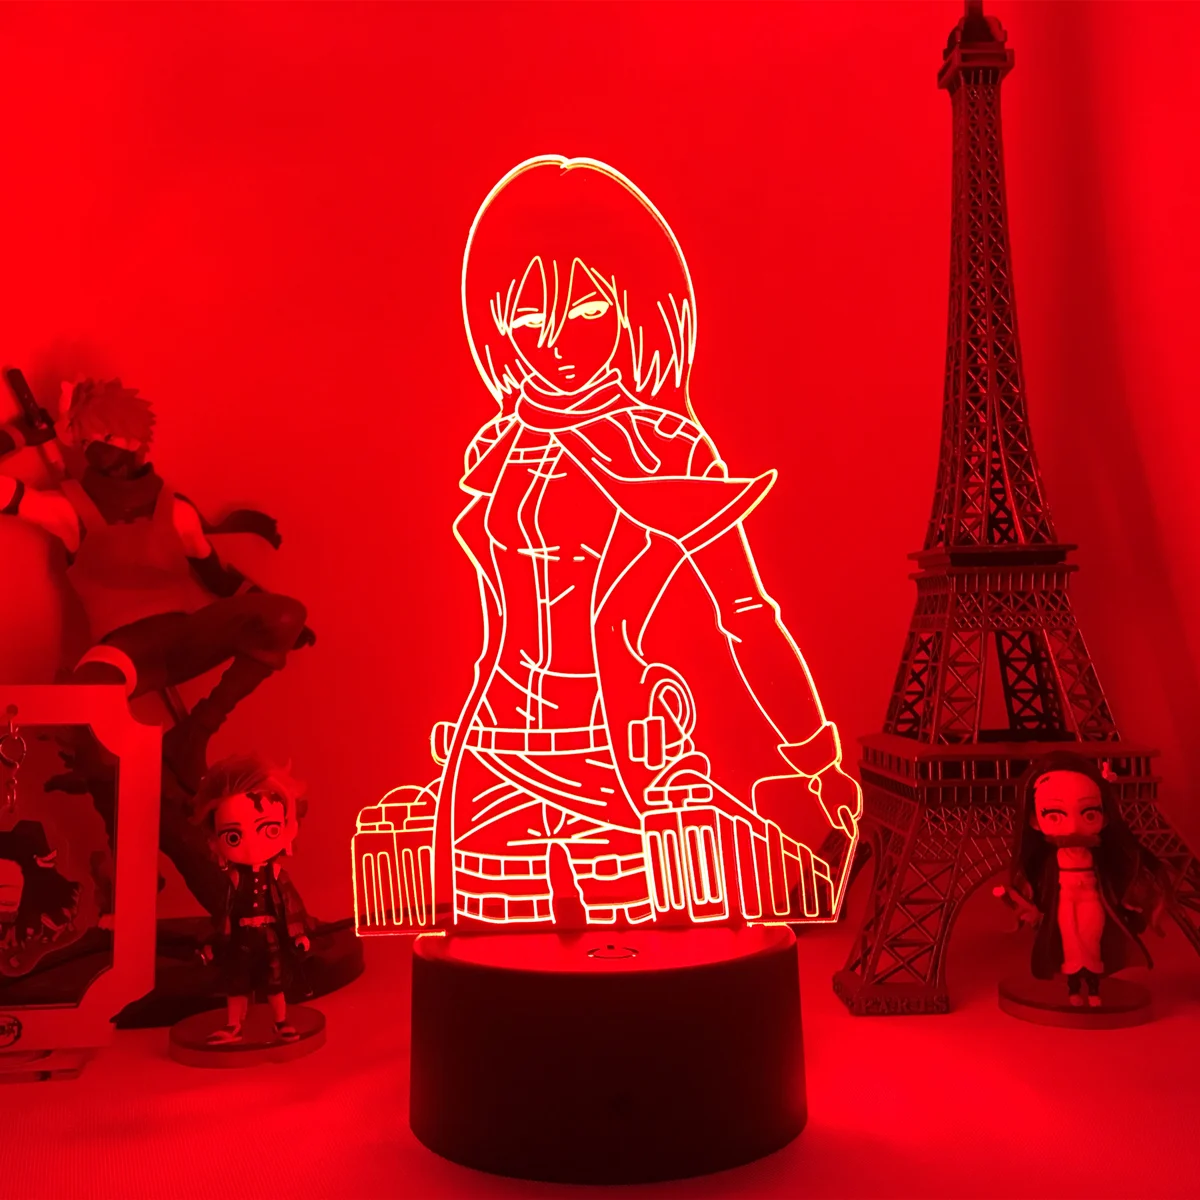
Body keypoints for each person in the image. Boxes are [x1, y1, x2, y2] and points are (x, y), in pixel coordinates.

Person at [366, 156, 861, 931]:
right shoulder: (495, 449)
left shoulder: (668, 448)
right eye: (527, 319)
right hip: (492, 739)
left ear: (635, 305)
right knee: (496, 944)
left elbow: (745, 613)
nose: (553, 344)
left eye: (587, 310)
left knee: (632, 946)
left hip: (615, 747)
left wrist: (813, 755)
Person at [1000, 752, 1165, 1006]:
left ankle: (1093, 987)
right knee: (1070, 941)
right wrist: (1026, 904)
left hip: (1091, 896)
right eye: (1054, 815)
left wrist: (1130, 897)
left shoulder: (1097, 857)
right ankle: (1075, 988)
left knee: (1090, 939)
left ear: (1104, 816)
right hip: (1064, 898)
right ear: (1034, 820)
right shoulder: (1049, 862)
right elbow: (1037, 885)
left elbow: (1115, 877)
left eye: (1089, 814)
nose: (1073, 827)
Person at [189, 754, 312, 1044]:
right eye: (234, 837)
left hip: (270, 936)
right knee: (236, 982)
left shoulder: (277, 875)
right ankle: (233, 1025)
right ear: (214, 841)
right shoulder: (233, 881)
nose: (252, 845)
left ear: (289, 828)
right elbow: (223, 913)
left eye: (269, 830)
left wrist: (298, 934)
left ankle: (280, 1021)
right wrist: (214, 942)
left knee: (275, 982)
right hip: (241, 938)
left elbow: (291, 906)